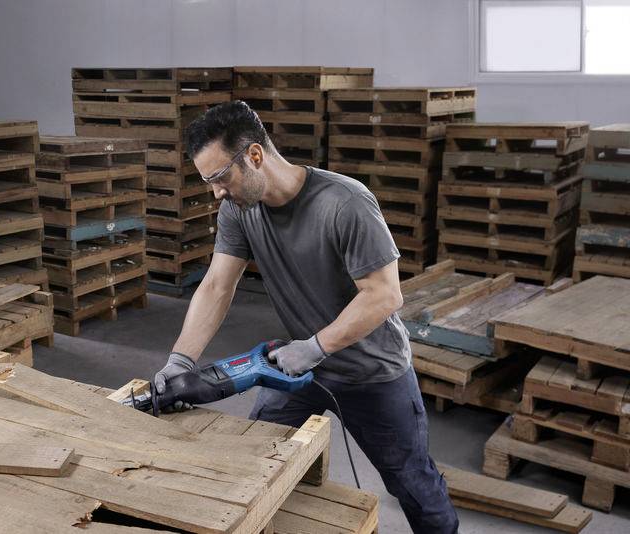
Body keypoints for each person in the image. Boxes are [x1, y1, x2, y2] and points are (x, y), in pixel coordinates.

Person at [153, 100, 459, 533]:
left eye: (220, 177)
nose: (216, 192)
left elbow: (384, 296)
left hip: (372, 371)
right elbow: (217, 285)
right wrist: (181, 360)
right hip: (299, 371)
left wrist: (316, 347)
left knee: (413, 485)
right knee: (255, 457)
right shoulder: (239, 210)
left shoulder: (345, 202)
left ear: (255, 156)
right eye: (208, 182)